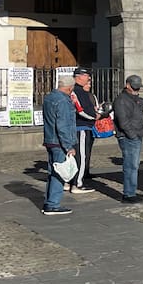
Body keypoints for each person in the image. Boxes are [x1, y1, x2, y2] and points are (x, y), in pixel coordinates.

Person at [112, 74, 143, 203]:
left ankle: (131, 192)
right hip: (129, 137)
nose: (136, 90)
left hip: (135, 136)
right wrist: (132, 135)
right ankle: (128, 194)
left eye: (138, 88)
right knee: (131, 166)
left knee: (133, 165)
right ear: (128, 85)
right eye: (135, 88)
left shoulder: (134, 98)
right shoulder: (122, 100)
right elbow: (123, 122)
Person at [41, 75, 78, 216]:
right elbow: (63, 125)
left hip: (50, 139)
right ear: (70, 88)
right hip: (59, 142)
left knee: (52, 172)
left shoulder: (50, 97)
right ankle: (53, 205)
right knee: (59, 172)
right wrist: (68, 146)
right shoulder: (63, 101)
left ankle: (49, 201)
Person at [68, 68, 99, 194]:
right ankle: (77, 184)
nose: (89, 79)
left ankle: (70, 182)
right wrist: (95, 116)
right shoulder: (77, 91)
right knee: (81, 156)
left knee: (77, 156)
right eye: (87, 76)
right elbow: (81, 110)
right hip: (81, 127)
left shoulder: (80, 91)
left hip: (81, 126)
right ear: (79, 76)